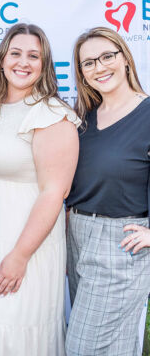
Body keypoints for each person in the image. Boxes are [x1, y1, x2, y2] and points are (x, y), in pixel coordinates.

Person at [0, 23, 80, 355]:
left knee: (12, 333)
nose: (23, 62)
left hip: (22, 248)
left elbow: (54, 192)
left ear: (44, 65)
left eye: (33, 56)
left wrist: (20, 256)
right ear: (2, 59)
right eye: (15, 53)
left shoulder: (52, 115)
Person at [66, 26, 150, 356]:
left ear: (125, 58)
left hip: (121, 243)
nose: (99, 67)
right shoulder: (83, 117)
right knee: (113, 348)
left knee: (83, 348)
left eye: (107, 57)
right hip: (77, 236)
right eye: (88, 63)